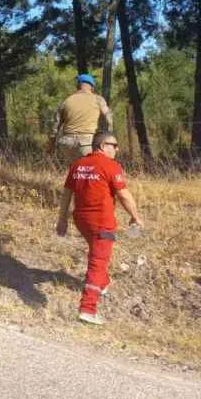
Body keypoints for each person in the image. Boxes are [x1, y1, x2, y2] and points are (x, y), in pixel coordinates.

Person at [56, 132, 143, 325]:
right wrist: (135, 217)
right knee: (98, 263)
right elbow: (124, 195)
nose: (117, 149)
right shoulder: (111, 166)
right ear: (103, 145)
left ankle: (102, 285)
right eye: (115, 144)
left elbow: (66, 194)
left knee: (97, 255)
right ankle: (88, 309)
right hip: (102, 222)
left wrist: (62, 219)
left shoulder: (77, 165)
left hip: (81, 220)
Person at [48, 74, 114, 163]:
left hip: (66, 143)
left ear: (78, 86)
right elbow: (108, 119)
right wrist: (109, 138)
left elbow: (55, 127)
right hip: (86, 143)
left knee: (74, 171)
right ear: (92, 87)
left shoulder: (66, 101)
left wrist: (50, 146)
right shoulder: (98, 99)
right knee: (90, 172)